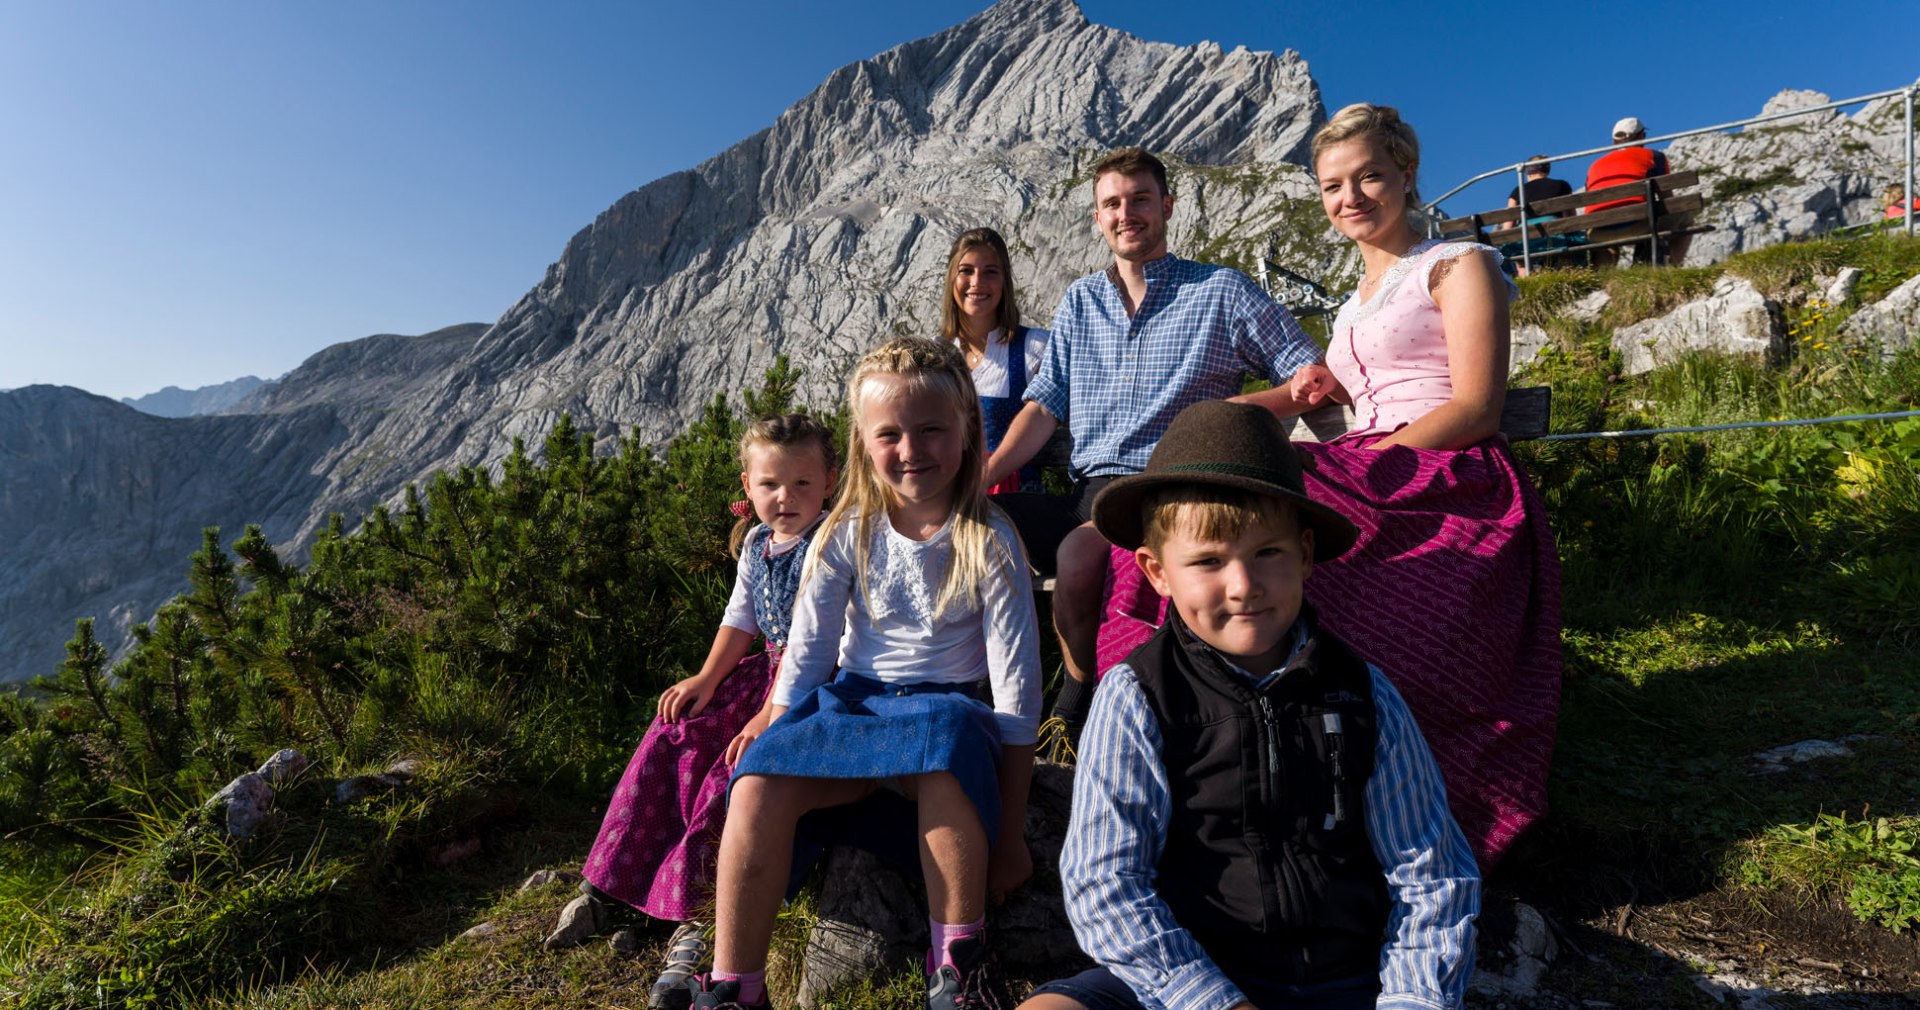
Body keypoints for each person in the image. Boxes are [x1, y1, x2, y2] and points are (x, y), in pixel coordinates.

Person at [1020, 400, 1480, 1010]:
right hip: (1187, 976)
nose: (1242, 585)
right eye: (1208, 561)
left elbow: (1431, 874)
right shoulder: (1136, 696)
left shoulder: (1363, 693)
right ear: (1157, 572)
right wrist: (1213, 1001)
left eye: (1268, 553)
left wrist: (1412, 1000)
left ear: (1306, 554)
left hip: (1340, 980)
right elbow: (1104, 882)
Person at [694, 337, 1043, 1010]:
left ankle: (958, 964)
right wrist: (777, 721)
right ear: (862, 441)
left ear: (968, 430)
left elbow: (1016, 689)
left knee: (943, 752)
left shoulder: (990, 536)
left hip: (948, 707)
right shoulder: (846, 531)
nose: (911, 451)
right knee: (758, 781)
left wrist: (1010, 832)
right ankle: (735, 982)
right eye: (890, 434)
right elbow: (809, 653)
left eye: (932, 429)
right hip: (854, 703)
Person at [1261, 102, 1563, 867]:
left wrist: (1372, 459)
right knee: (1219, 511)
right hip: (1373, 465)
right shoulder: (1354, 303)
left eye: (1368, 176)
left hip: (1447, 475)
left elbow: (1475, 405)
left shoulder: (1458, 264)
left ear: (1405, 174)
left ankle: (1391, 795)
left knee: (1280, 527)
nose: (1351, 197)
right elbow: (1331, 395)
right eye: (1333, 185)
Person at [983, 146, 1332, 744]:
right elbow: (1044, 406)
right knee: (975, 522)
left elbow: (1310, 374)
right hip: (1088, 490)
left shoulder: (1219, 291)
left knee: (1076, 556)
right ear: (1098, 218)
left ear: (1166, 205)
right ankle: (973, 698)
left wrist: (1235, 411)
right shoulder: (1080, 301)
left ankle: (1073, 705)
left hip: (1170, 488)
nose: (1127, 213)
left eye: (1140, 199)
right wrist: (977, 479)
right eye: (1112, 204)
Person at [549, 414, 838, 1010]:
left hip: (813, 680)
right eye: (770, 484)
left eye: (803, 484)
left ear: (830, 482)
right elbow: (741, 617)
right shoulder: (759, 544)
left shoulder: (832, 542)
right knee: (676, 731)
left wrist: (769, 712)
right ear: (747, 485)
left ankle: (701, 909)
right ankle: (619, 880)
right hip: (763, 670)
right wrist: (709, 678)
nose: (786, 498)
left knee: (728, 770)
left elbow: (818, 641)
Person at [939, 227, 1050, 495]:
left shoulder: (1033, 347)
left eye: (990, 271)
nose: (977, 282)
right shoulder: (937, 352)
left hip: (1015, 501)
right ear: (952, 279)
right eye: (966, 270)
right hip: (947, 497)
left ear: (1004, 282)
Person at [1584, 116, 1690, 266]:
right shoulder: (1654, 157)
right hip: (1638, 224)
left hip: (1598, 232)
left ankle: (1602, 278)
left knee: (1610, 227)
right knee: (1684, 217)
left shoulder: (1594, 166)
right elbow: (1668, 200)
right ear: (1641, 136)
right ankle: (1670, 269)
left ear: (1614, 141)